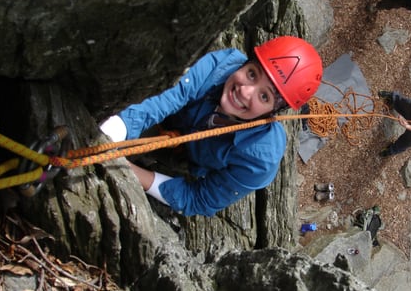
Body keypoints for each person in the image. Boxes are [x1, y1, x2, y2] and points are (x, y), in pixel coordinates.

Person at [100, 36, 323, 217]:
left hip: (188, 164)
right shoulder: (218, 67)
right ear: (245, 63)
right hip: (166, 122)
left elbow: (199, 199)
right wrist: (106, 136)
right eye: (252, 74)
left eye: (264, 96)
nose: (245, 91)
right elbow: (164, 100)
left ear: (272, 113)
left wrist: (126, 170)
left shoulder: (260, 158)